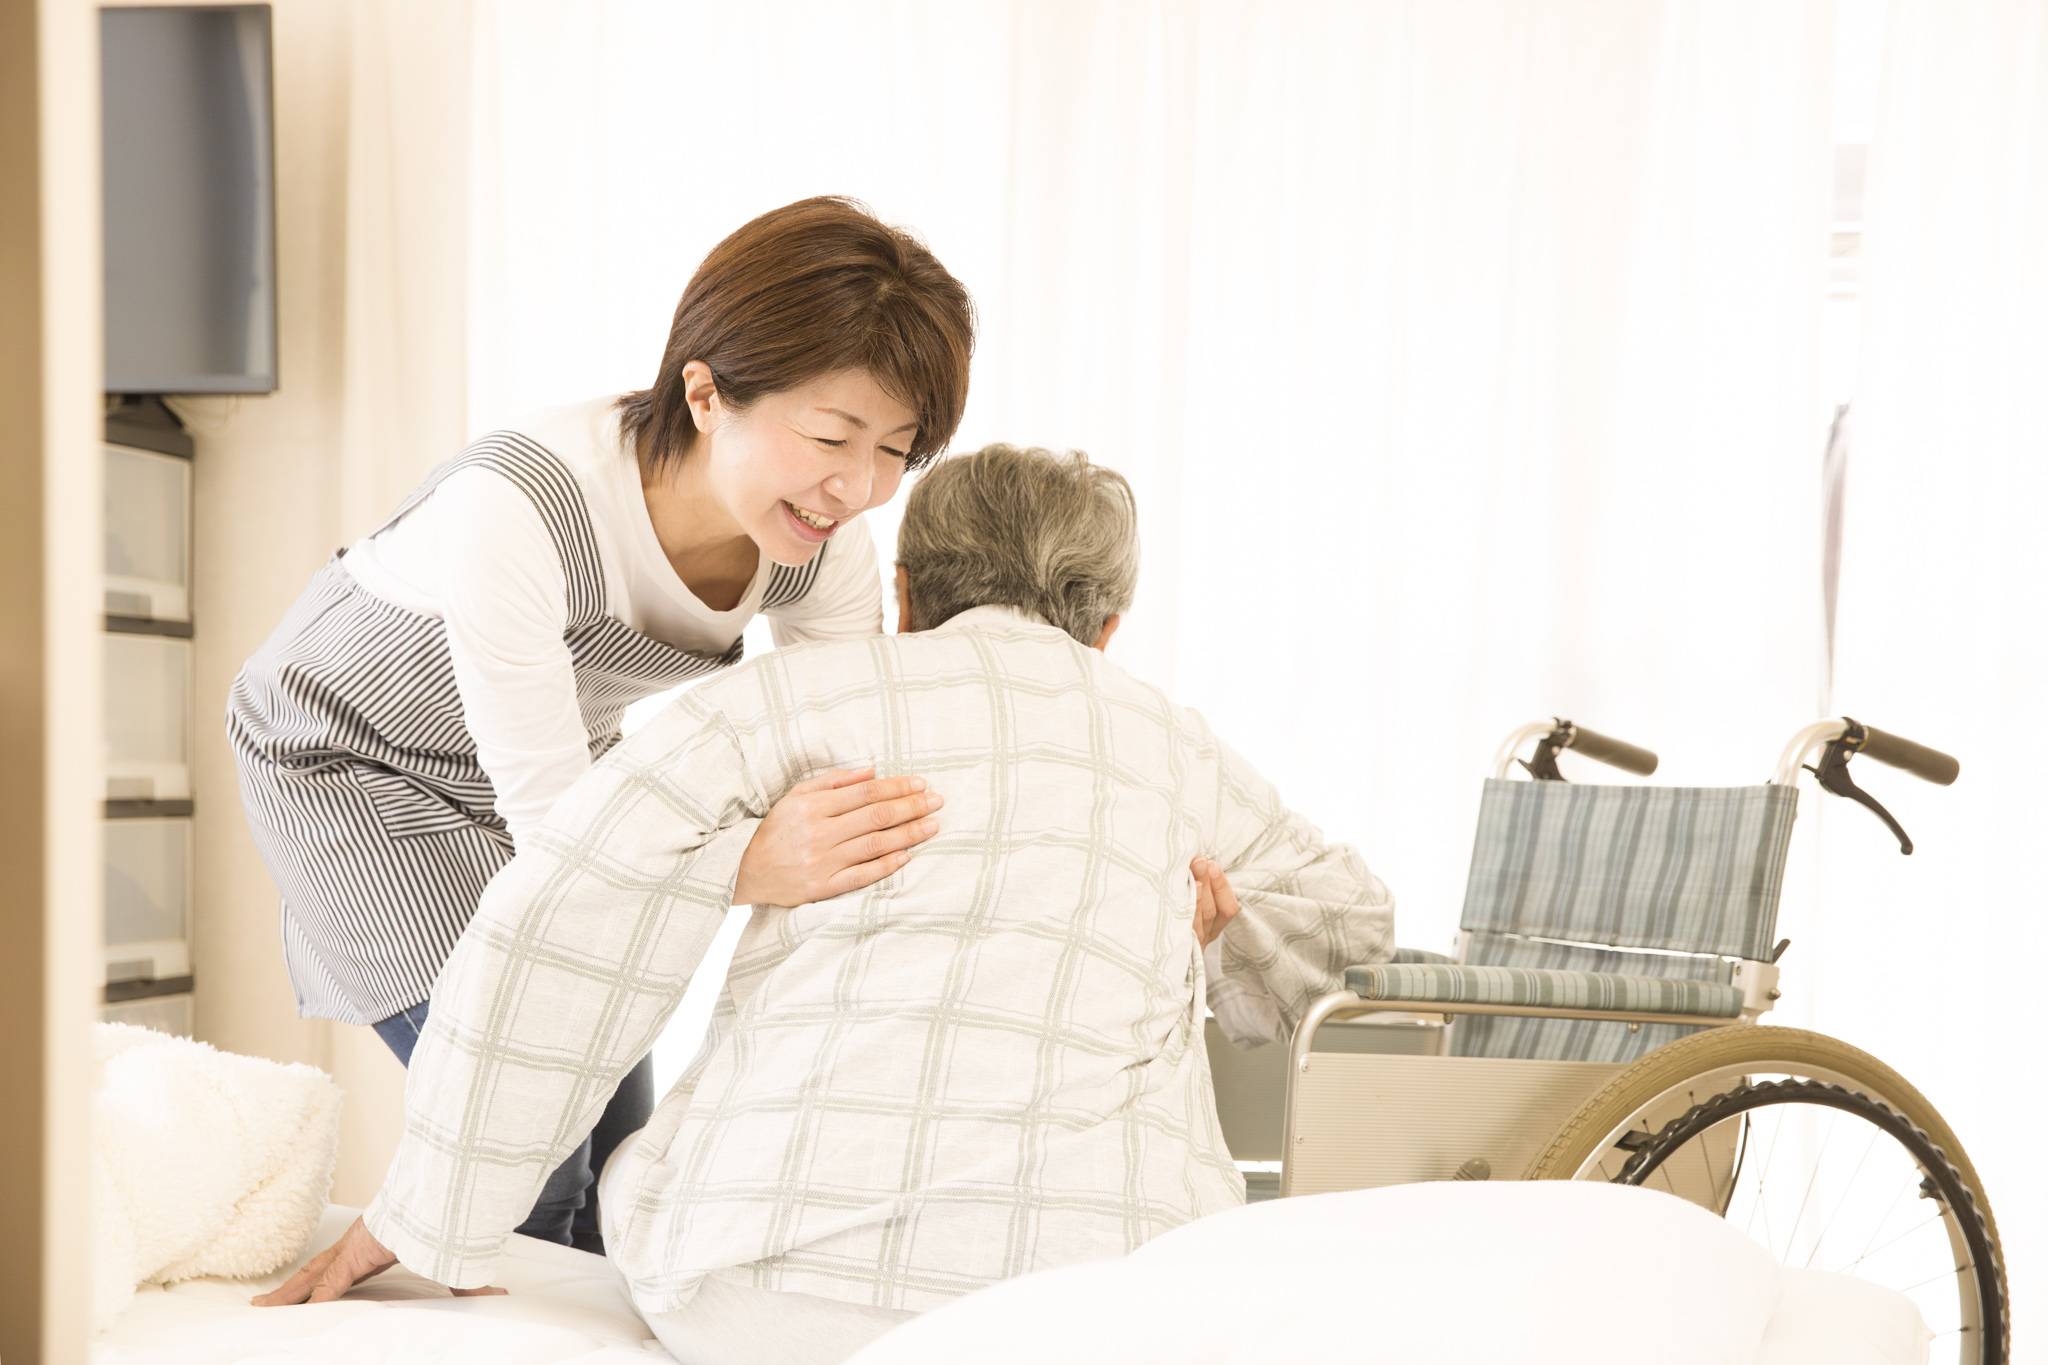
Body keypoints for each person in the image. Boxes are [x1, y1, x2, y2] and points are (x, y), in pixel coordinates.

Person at [257, 445, 1396, 1364]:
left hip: (756, 1298)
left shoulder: (794, 693)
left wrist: (417, 1218)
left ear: (901, 594)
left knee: (646, 1169)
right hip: (1095, 1307)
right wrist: (1227, 918)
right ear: (1107, 633)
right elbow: (1353, 929)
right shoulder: (1163, 737)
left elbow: (562, 914)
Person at [226, 197, 976, 1252]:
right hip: (348, 762)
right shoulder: (521, 504)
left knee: (622, 1157)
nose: (856, 486)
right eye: (829, 435)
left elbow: (851, 763)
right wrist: (737, 864)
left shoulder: (818, 545)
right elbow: (558, 834)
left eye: (897, 449)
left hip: (556, 780)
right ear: (705, 392)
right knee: (529, 1134)